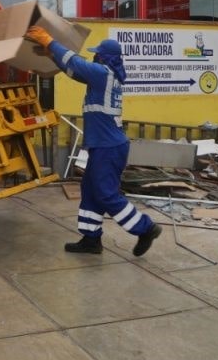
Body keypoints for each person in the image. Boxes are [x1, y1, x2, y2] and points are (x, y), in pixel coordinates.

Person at [24, 26, 161, 257]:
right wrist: (52, 56)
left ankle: (145, 228)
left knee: (106, 193)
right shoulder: (104, 77)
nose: (95, 56)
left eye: (98, 54)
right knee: (90, 188)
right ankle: (91, 239)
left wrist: (50, 42)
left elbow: (76, 62)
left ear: (104, 58)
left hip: (109, 147)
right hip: (105, 146)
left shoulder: (103, 74)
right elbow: (74, 72)